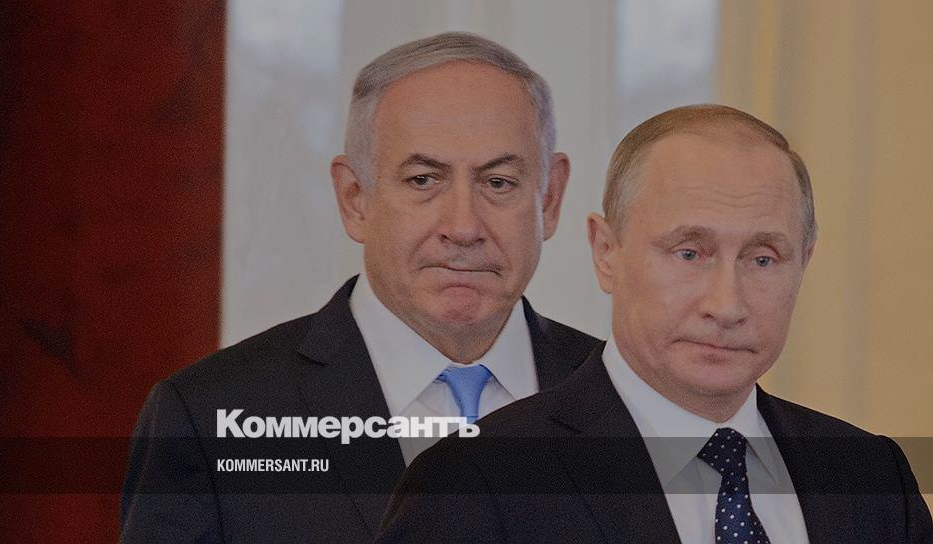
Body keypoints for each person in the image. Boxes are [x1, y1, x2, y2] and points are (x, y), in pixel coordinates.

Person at [119, 32, 600, 543]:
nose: (463, 227)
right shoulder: (210, 417)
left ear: (549, 198)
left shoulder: (629, 398)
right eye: (423, 180)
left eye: (498, 182)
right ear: (354, 199)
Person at [378, 104, 933, 543]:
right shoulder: (475, 484)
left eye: (763, 259)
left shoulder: (870, 477)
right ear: (606, 252)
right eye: (689, 253)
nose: (726, 305)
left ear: (803, 264)